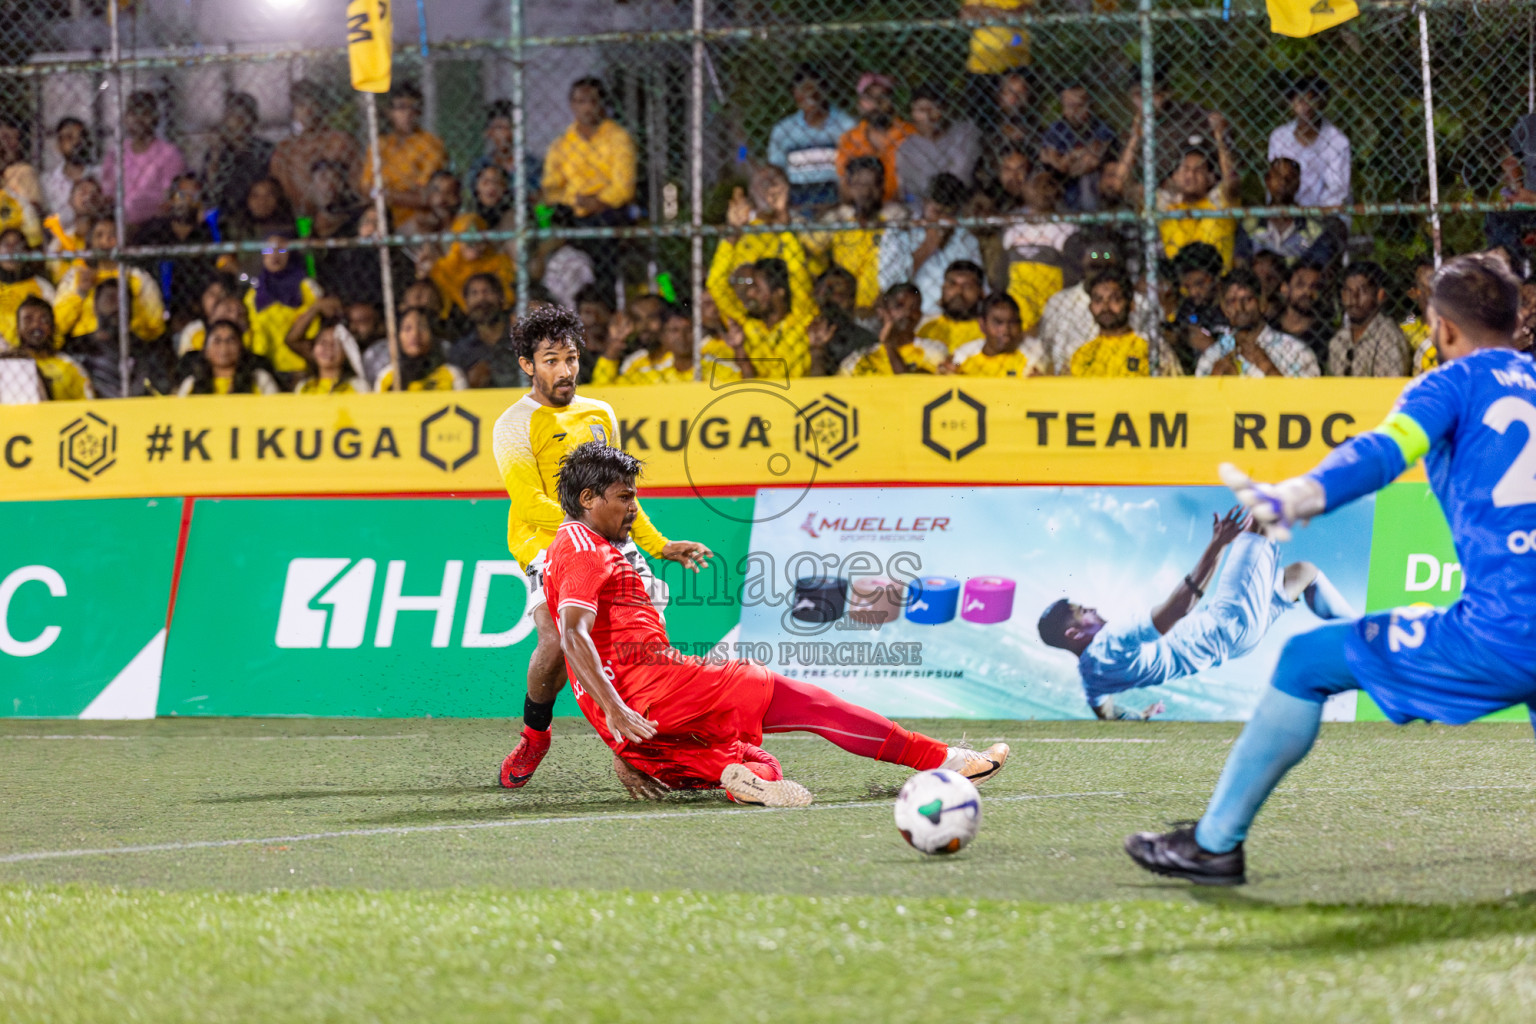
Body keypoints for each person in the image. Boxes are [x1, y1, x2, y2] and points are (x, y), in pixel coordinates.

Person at [1125, 254, 1536, 885]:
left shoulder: (1449, 382)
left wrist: (1294, 497)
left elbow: (1382, 452)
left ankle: (1213, 846)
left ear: (1444, 330)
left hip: (1505, 633)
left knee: (1303, 663)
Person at [543, 439, 1011, 803]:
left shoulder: (569, 550)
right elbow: (573, 635)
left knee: (761, 762)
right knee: (815, 706)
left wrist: (621, 742)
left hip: (641, 735)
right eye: (625, 498)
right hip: (661, 692)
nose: (633, 509)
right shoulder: (585, 550)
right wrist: (616, 710)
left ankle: (733, 778)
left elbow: (583, 649)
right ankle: (943, 759)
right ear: (587, 498)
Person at [491, 305, 715, 789]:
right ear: (528, 365)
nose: (564, 370)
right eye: (550, 359)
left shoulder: (600, 413)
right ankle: (536, 735)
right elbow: (529, 502)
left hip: (606, 538)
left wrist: (657, 545)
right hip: (546, 542)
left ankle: (650, 743)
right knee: (555, 641)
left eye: (570, 358)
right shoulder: (514, 424)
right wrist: (591, 528)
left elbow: (620, 493)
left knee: (645, 634)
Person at [1039, 509, 1352, 722]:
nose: (1092, 608)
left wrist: (1140, 717)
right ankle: (1368, 642)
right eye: (1084, 612)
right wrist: (1217, 543)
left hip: (1235, 642)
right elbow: (1179, 607)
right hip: (1228, 622)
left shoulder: (1091, 678)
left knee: (1303, 573)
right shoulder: (1113, 639)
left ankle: (1356, 638)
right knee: (1260, 517)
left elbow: (1106, 713)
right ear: (1074, 634)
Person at [1038, 235, 1158, 374]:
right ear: (1081, 263)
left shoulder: (1138, 301)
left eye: (1107, 254)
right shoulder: (1059, 301)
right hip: (1072, 375)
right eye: (1094, 255)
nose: (1101, 258)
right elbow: (1046, 346)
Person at [811, 156, 908, 317]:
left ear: (882, 186)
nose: (866, 192)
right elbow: (812, 248)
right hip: (843, 308)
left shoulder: (895, 217)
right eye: (859, 184)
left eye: (873, 184)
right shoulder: (838, 219)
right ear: (848, 186)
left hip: (883, 309)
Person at [878, 174, 982, 317]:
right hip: (913, 317)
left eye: (949, 213)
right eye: (937, 212)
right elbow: (888, 285)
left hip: (956, 316)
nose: (942, 220)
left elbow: (978, 286)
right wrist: (927, 247)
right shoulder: (900, 233)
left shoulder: (966, 238)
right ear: (925, 203)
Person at [540, 78, 635, 235]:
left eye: (593, 101)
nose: (587, 108)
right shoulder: (561, 144)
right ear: (572, 105)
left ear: (602, 103)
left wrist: (598, 202)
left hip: (607, 209)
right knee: (546, 214)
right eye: (580, 102)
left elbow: (624, 187)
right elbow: (551, 186)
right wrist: (575, 201)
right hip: (571, 209)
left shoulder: (619, 138)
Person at [53, 218, 166, 344]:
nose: (105, 240)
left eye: (113, 235)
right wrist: (81, 292)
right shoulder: (76, 276)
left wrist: (130, 318)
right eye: (99, 235)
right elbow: (58, 326)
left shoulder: (138, 277)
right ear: (91, 242)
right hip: (84, 345)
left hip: (129, 342)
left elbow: (156, 327)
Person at [768, 66, 858, 212]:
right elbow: (776, 171)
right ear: (794, 93)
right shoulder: (783, 130)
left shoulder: (846, 125)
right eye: (802, 89)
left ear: (826, 91)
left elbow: (854, 172)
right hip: (797, 204)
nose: (810, 94)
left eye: (816, 88)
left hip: (838, 202)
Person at [1196, 270, 1320, 377]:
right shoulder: (1212, 357)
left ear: (1262, 303)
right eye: (1232, 301)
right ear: (1224, 309)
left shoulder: (1296, 351)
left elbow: (1306, 402)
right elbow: (1198, 403)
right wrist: (1216, 377)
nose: (1239, 308)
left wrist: (1266, 366)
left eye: (1247, 299)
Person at [65, 280, 176, 397]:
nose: (118, 306)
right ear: (96, 305)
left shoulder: (144, 349)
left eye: (124, 301)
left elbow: (161, 386)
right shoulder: (78, 347)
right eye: (111, 299)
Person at [270, 80, 362, 220]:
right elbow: (281, 188)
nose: (308, 111)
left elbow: (357, 181)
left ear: (322, 107)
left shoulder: (340, 140)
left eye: (313, 104)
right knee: (303, 230)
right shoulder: (285, 148)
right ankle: (305, 234)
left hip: (341, 213)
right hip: (301, 216)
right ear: (294, 111)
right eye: (301, 106)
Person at [131, 173, 217, 319]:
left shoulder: (208, 234)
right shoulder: (152, 232)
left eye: (194, 195)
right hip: (151, 308)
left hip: (197, 311)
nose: (187, 200)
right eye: (181, 195)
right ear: (171, 199)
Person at [362, 82, 448, 227]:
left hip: (415, 218)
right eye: (401, 107)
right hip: (382, 215)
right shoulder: (380, 145)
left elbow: (425, 197)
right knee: (367, 223)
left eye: (413, 108)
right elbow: (366, 188)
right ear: (390, 112)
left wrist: (384, 194)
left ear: (419, 112)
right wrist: (384, 195)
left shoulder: (430, 144)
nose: (408, 113)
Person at [1001, 169, 1076, 332]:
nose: (1042, 189)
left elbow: (1081, 266)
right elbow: (1001, 275)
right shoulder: (1013, 229)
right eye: (1036, 183)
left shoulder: (1066, 229)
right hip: (1016, 313)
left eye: (1049, 184)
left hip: (1053, 313)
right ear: (1024, 188)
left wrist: (1103, 255)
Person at [99, 91, 187, 229]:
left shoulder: (169, 154)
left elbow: (170, 199)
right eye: (134, 114)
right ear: (125, 118)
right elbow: (107, 194)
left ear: (155, 117)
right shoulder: (115, 153)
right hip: (118, 223)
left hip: (155, 224)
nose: (139, 119)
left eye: (145, 113)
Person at [718, 258, 818, 378]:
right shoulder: (748, 327)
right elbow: (717, 287)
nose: (750, 294)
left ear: (779, 291)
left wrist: (786, 238)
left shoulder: (802, 318)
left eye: (758, 289)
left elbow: (798, 271)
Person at [1158, 133, 1241, 272]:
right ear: (1175, 176)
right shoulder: (1166, 204)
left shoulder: (1220, 202)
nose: (1190, 175)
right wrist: (1136, 134)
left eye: (1199, 169)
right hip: (1176, 287)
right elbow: (1121, 185)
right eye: (1185, 168)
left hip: (1219, 285)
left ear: (1211, 178)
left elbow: (1231, 182)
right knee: (1106, 255)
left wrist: (1220, 137)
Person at [1070, 272, 1178, 377]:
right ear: (1090, 307)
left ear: (1131, 305)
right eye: (1098, 300)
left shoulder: (1151, 347)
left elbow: (1174, 387)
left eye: (1115, 299)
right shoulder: (1080, 351)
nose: (1105, 307)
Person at [1267, 74, 1350, 210]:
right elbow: (1275, 180)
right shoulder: (1279, 137)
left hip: (1324, 213)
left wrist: (1310, 213)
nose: (1306, 107)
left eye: (1312, 100)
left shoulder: (1337, 141)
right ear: (1291, 103)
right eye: (1300, 100)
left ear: (1323, 103)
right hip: (1287, 209)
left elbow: (1337, 190)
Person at [1243, 157, 1344, 269]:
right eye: (1278, 176)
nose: (1283, 181)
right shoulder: (1251, 224)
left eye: (1290, 177)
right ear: (1267, 180)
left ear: (1298, 184)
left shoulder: (1311, 228)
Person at [244, 236, 321, 379]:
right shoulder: (253, 294)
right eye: (269, 249)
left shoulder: (306, 287)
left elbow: (316, 327)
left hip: (301, 368)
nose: (275, 254)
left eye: (281, 248)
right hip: (266, 370)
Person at [835, 74, 915, 205]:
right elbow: (844, 184)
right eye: (868, 98)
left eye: (882, 96)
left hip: (904, 205)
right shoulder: (849, 139)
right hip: (862, 206)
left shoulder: (910, 134)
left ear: (892, 101)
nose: (876, 103)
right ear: (859, 104)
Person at [896, 82, 981, 203]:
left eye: (933, 108)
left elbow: (963, 175)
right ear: (912, 113)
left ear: (945, 108)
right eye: (921, 110)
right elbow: (909, 192)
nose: (927, 116)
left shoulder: (966, 133)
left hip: (966, 200)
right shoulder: (907, 149)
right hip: (927, 208)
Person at [837, 283, 946, 375]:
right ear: (882, 312)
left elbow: (910, 390)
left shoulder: (933, 351)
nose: (907, 313)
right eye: (899, 306)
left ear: (920, 315)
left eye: (914, 308)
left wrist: (889, 345)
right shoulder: (859, 358)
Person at [1039, 84, 1117, 213]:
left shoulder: (1101, 126)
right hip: (1063, 183)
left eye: (1080, 105)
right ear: (1063, 107)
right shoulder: (1057, 128)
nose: (1075, 111)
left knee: (1088, 178)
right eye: (1070, 106)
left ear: (1090, 105)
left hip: (1093, 183)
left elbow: (1091, 161)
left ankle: (1091, 221)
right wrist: (1074, 157)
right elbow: (1053, 160)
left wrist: (1066, 159)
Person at [424, 212, 516, 318]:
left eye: (479, 237)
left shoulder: (499, 261)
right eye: (467, 237)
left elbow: (509, 297)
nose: (474, 243)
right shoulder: (443, 268)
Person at [202, 92, 276, 223]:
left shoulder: (266, 149)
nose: (239, 120)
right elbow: (209, 193)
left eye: (245, 115)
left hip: (261, 212)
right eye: (233, 115)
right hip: (226, 214)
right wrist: (215, 157)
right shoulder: (218, 152)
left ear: (254, 120)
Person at [1327, 261, 1411, 377]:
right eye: (1348, 291)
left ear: (1380, 295)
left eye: (1363, 291)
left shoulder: (1388, 337)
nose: (1354, 298)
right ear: (1342, 295)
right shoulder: (1339, 340)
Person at [448, 272, 520, 388]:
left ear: (501, 298)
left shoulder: (521, 336)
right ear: (466, 303)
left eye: (487, 291)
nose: (481, 298)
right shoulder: (460, 350)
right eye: (474, 293)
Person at [12, 296, 90, 400]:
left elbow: (88, 406)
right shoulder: (7, 366)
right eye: (28, 319)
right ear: (18, 328)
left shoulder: (69, 367)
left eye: (43, 319)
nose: (36, 325)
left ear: (52, 327)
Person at [176, 318, 279, 396]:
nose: (224, 347)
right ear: (206, 351)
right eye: (217, 341)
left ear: (241, 348)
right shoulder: (191, 384)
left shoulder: (260, 379)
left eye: (231, 340)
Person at [374, 307, 465, 391]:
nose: (415, 334)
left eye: (422, 327)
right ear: (398, 337)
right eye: (407, 328)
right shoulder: (387, 378)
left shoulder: (452, 375)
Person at [806, 265, 877, 373]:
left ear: (851, 300)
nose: (830, 295)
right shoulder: (802, 329)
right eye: (827, 289)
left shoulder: (863, 340)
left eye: (839, 290)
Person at [952, 292, 1041, 377]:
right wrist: (951, 369)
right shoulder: (965, 355)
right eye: (998, 322)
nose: (1005, 330)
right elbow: (955, 363)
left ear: (1020, 325)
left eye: (1012, 322)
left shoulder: (1030, 357)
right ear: (982, 325)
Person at [592, 293, 668, 384]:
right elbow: (600, 388)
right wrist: (613, 349)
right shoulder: (634, 362)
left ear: (667, 320)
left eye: (652, 318)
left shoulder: (679, 359)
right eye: (638, 319)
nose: (643, 326)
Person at [916, 259, 986, 354]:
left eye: (967, 285)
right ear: (943, 289)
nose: (958, 291)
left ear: (981, 293)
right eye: (952, 284)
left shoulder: (989, 331)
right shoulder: (923, 325)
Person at [0, 228, 55, 350]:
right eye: (6, 244)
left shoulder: (42, 286)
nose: (11, 250)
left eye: (17, 245)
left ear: (26, 252)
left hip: (34, 349)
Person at [1272, 260, 1332, 367]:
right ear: (1285, 289)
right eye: (1300, 285)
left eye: (1314, 287)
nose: (1307, 292)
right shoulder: (1268, 328)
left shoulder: (1327, 337)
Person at [40, 117, 97, 229]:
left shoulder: (99, 175)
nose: (76, 142)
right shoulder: (47, 182)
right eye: (69, 137)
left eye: (82, 137)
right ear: (58, 145)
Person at [293, 320, 369, 394]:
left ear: (346, 352)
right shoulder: (303, 387)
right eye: (323, 342)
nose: (328, 348)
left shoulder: (358, 387)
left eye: (335, 344)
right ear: (313, 349)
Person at [1403, 257, 1437, 375]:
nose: (1434, 293)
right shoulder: (1406, 330)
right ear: (1413, 293)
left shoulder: (1459, 328)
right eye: (1426, 289)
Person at [0, 119, 41, 212]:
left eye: (9, 138)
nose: (5, 144)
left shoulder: (23, 171)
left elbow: (35, 208)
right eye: (3, 139)